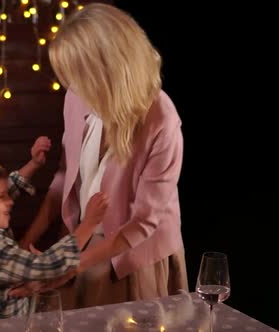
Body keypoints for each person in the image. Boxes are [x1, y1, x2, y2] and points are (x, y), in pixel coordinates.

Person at [17, 3, 189, 309]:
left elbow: (143, 223)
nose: (71, 87)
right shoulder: (76, 97)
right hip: (80, 243)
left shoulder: (162, 119)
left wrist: (73, 265)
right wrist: (23, 246)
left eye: (79, 76)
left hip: (133, 257)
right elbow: (64, 179)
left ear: (111, 69)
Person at [0, 155, 108, 319]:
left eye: (7, 194)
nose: (10, 201)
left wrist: (33, 164)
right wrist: (89, 224)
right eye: (2, 197)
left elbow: (2, 190)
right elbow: (48, 266)